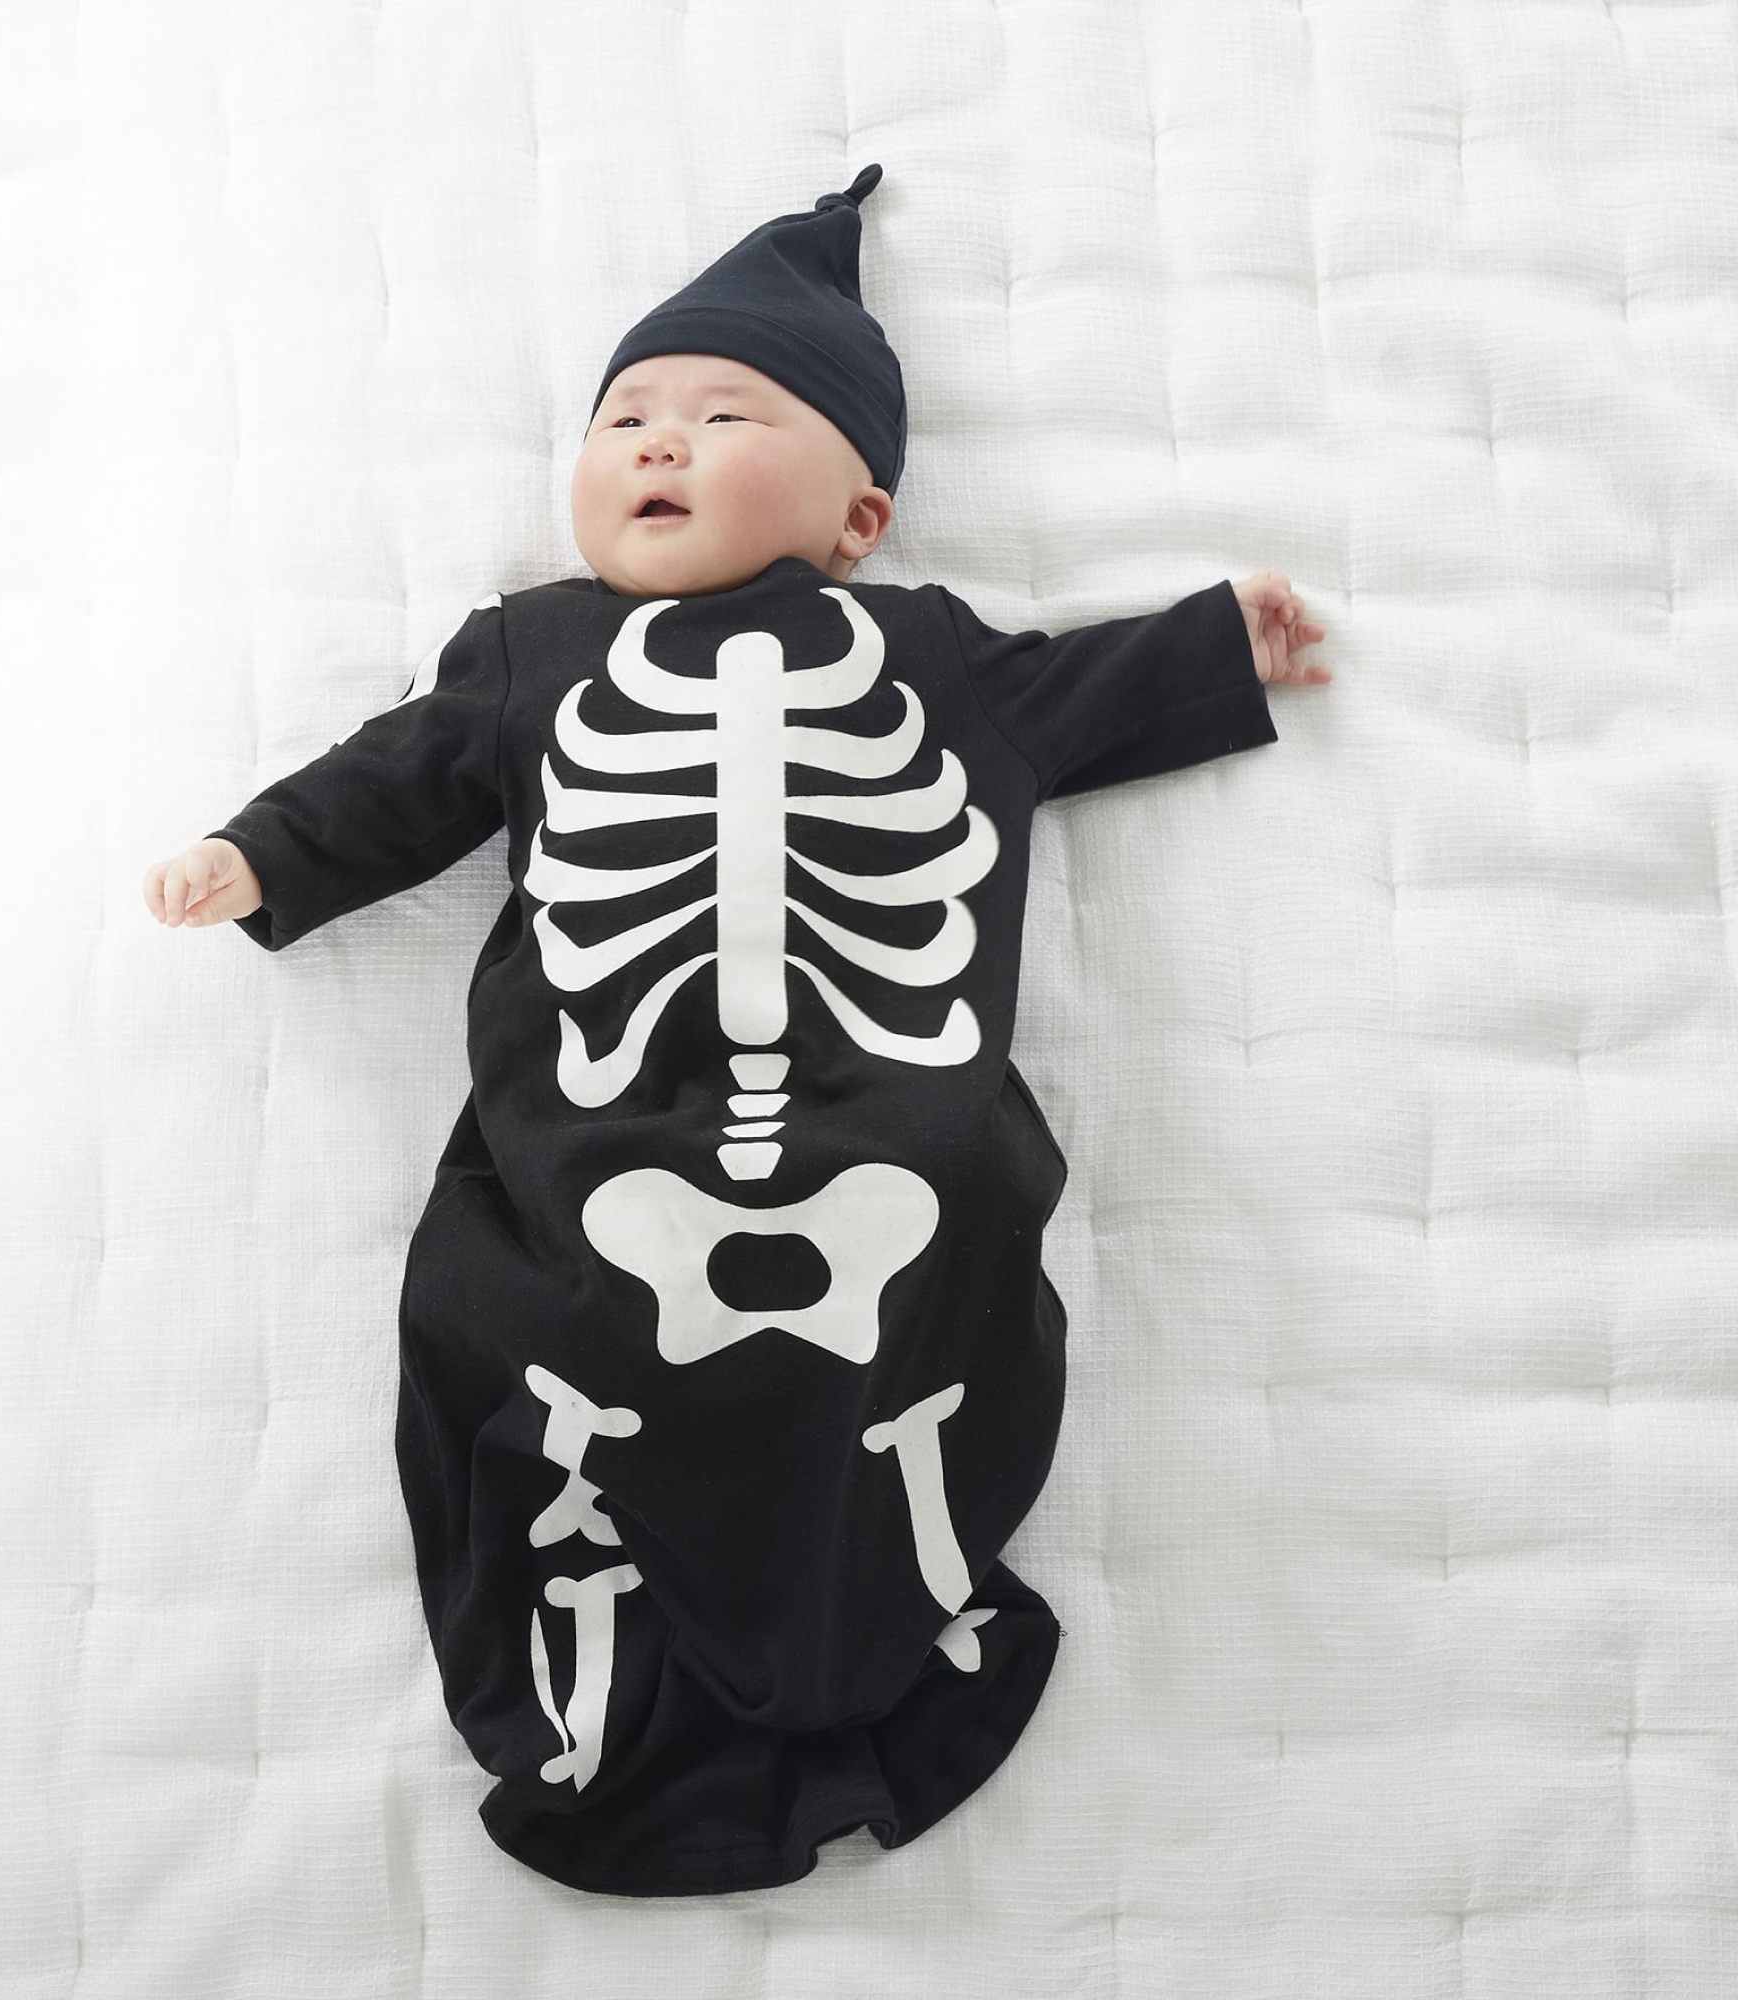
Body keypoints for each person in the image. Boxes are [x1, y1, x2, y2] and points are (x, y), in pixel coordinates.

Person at [141, 163, 1330, 1898]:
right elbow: (398, 774)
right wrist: (260, 854)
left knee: (925, 1277)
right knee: (544, 1317)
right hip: (597, 1148)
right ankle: (610, 1669)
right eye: (624, 417)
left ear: (859, 519)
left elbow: (1075, 695)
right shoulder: (531, 653)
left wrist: (1218, 648)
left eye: (722, 416)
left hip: (890, 1136)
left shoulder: (927, 655)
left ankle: (874, 1628)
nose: (658, 443)